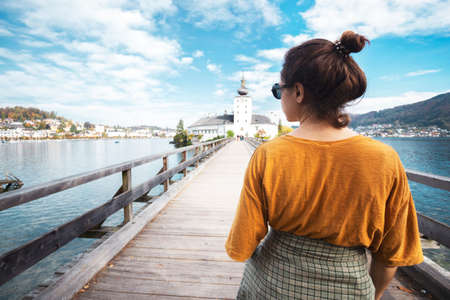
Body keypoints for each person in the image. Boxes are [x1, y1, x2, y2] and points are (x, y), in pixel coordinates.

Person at [225, 31, 423, 300]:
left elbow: (242, 244)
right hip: (350, 287)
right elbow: (392, 256)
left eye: (278, 90)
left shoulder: (269, 154)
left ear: (298, 91)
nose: (279, 96)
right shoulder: (384, 158)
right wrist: (369, 295)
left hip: (272, 283)